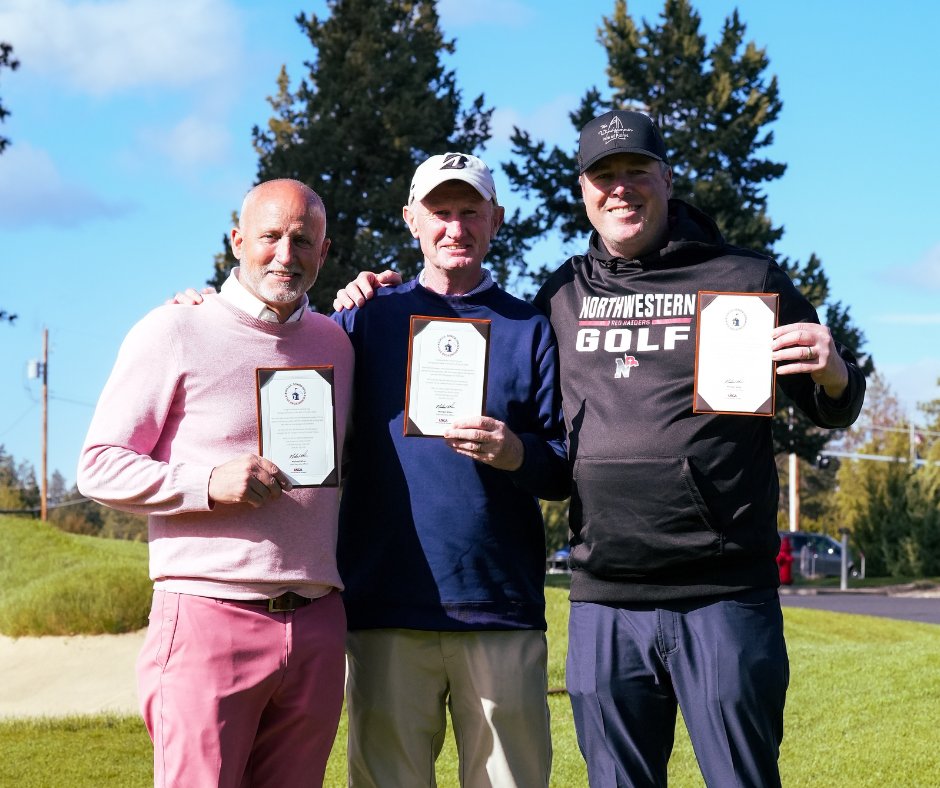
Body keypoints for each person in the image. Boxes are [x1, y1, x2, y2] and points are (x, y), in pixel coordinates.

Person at [336, 112, 866, 787]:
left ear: (666, 180)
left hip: (725, 592)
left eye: (635, 172)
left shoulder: (742, 275)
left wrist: (834, 370)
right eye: (603, 177)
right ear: (583, 191)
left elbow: (830, 403)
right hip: (605, 597)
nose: (620, 189)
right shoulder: (558, 295)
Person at [176, 154, 569, 787]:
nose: (455, 227)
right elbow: (274, 343)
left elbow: (562, 469)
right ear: (412, 220)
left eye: (471, 211)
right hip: (385, 606)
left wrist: (517, 453)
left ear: (496, 220)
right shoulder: (362, 319)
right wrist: (203, 307)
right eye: (440, 212)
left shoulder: (530, 327)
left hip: (500, 608)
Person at [77, 179, 354, 788]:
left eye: (303, 240)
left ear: (324, 251)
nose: (286, 253)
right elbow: (98, 464)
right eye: (270, 236)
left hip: (315, 623)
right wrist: (206, 483)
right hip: (207, 614)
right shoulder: (174, 329)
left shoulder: (336, 342)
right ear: (237, 241)